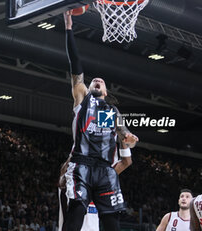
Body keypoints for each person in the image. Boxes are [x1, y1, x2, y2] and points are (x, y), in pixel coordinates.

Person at [59, 10, 139, 231]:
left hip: (105, 169)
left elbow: (124, 135)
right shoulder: (82, 99)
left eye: (101, 82)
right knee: (75, 213)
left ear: (105, 90)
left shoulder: (110, 110)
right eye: (94, 80)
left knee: (111, 221)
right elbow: (75, 65)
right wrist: (68, 28)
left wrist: (129, 139)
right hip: (81, 163)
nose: (97, 81)